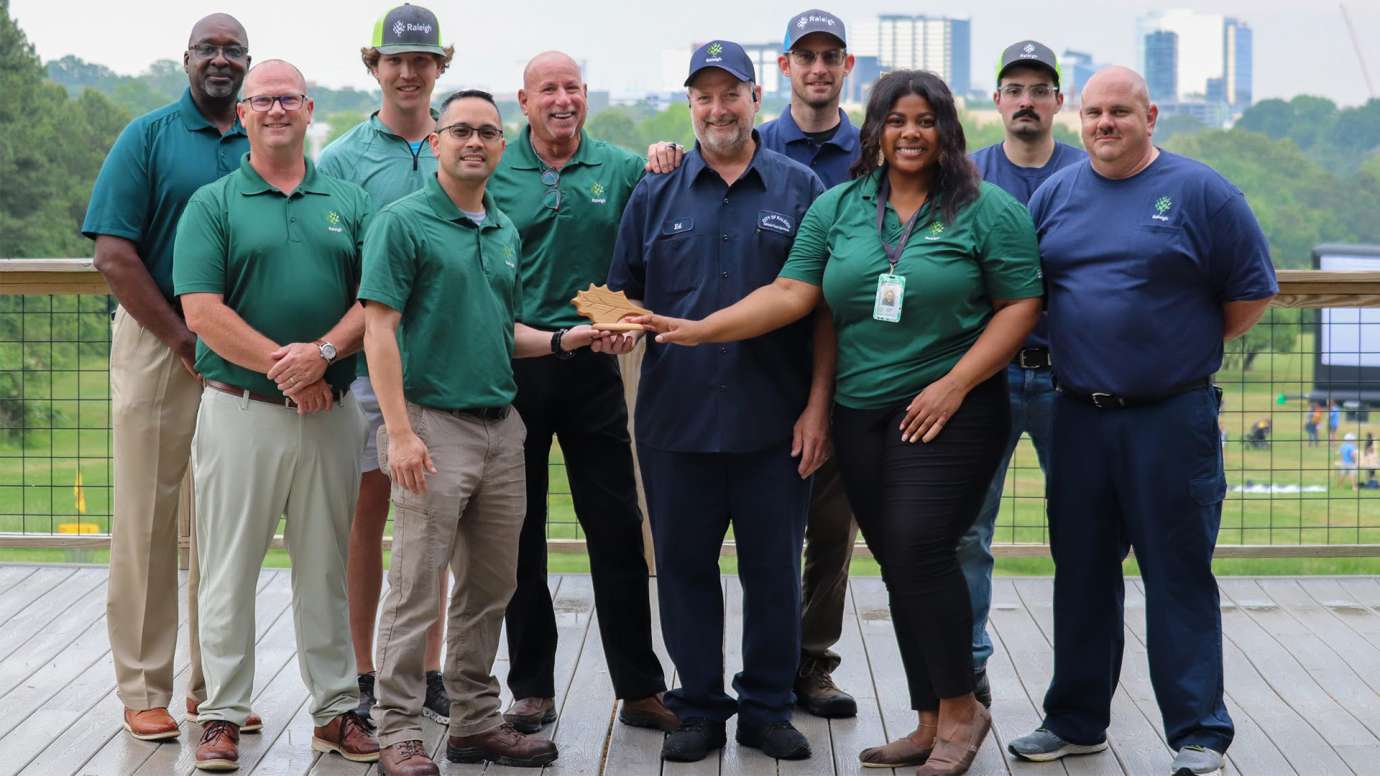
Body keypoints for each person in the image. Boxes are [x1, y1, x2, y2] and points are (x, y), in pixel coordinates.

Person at [634, 69, 1042, 776]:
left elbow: (1021, 303)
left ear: (946, 129)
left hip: (954, 409)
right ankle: (924, 720)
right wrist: (702, 330)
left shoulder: (987, 208)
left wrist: (955, 383)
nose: (909, 133)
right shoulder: (843, 208)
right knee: (899, 564)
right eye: (895, 120)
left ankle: (960, 707)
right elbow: (793, 292)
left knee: (920, 551)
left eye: (924, 121)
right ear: (874, 131)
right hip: (862, 411)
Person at [1006, 67, 1278, 776]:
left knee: (1177, 573)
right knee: (1082, 574)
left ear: (1150, 115)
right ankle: (1074, 720)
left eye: (1119, 111)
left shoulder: (1202, 192)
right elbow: (1030, 293)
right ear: (1079, 119)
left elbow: (1249, 294)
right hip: (1079, 415)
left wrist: (1175, 350)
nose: (1104, 124)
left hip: (1170, 417)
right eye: (1094, 112)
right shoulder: (1058, 194)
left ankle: (1197, 732)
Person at [360, 89, 619, 775]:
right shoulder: (403, 223)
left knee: (489, 588)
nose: (474, 142)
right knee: (417, 585)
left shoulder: (502, 228)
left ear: (502, 147)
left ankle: (474, 722)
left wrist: (570, 340)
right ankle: (398, 732)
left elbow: (504, 333)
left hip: (503, 428)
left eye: (487, 133)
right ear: (438, 141)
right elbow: (378, 329)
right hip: (430, 426)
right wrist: (398, 432)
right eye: (461, 131)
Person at [607, 40, 826, 764]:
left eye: (730, 93)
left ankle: (766, 709)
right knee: (684, 568)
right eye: (703, 95)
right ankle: (699, 706)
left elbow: (824, 310)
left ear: (756, 98)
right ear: (690, 104)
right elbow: (626, 292)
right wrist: (618, 325)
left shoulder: (800, 191)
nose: (717, 107)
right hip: (676, 419)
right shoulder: (655, 189)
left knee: (772, 572)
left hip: (775, 421)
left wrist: (817, 408)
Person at [173, 60, 380, 771]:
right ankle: (223, 715)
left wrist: (322, 354)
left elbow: (373, 302)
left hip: (330, 412)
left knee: (325, 566)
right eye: (262, 100)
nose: (275, 109)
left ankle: (334, 712)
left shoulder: (347, 200)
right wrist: (286, 370)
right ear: (245, 115)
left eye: (288, 98)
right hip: (241, 411)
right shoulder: (215, 203)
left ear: (309, 107)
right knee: (227, 568)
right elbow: (201, 311)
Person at [82, 12, 265, 741]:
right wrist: (182, 339)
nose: (221, 61)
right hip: (163, 343)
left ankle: (215, 688)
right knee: (150, 524)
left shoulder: (259, 135)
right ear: (186, 59)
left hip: (239, 349)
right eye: (208, 49)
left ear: (248, 63)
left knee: (224, 525)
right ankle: (144, 685)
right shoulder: (148, 137)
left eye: (233, 51)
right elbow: (112, 255)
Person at [487, 51, 674, 735]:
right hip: (517, 368)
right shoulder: (496, 170)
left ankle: (641, 687)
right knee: (518, 532)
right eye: (548, 90)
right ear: (524, 100)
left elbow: (655, 239)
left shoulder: (621, 168)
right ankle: (531, 686)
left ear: (585, 97)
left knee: (619, 527)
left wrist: (665, 153)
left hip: (595, 365)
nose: (561, 99)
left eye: (572, 88)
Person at [316, 1, 452, 728]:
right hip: (371, 369)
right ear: (375, 67)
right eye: (396, 59)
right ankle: (366, 669)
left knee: (433, 526)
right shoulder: (341, 158)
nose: (408, 71)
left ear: (439, 66)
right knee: (367, 519)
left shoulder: (462, 141)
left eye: (421, 59)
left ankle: (427, 667)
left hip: (447, 370)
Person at [960, 39, 1086, 709]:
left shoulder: (1090, 170)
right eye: (1017, 89)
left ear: (1059, 102)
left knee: (1082, 531)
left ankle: (1081, 676)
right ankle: (969, 665)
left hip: (1072, 378)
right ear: (999, 101)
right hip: (988, 376)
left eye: (1042, 89)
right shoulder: (967, 176)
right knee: (967, 528)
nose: (1028, 101)